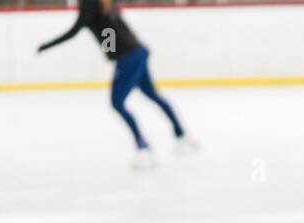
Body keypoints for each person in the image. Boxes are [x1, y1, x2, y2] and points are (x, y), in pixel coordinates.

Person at [37, 0, 194, 166]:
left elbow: (75, 30)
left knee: (117, 102)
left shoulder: (89, 5)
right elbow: (110, 32)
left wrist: (46, 46)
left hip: (129, 58)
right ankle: (181, 135)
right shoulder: (104, 6)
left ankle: (143, 146)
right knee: (151, 95)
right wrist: (117, 50)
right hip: (137, 52)